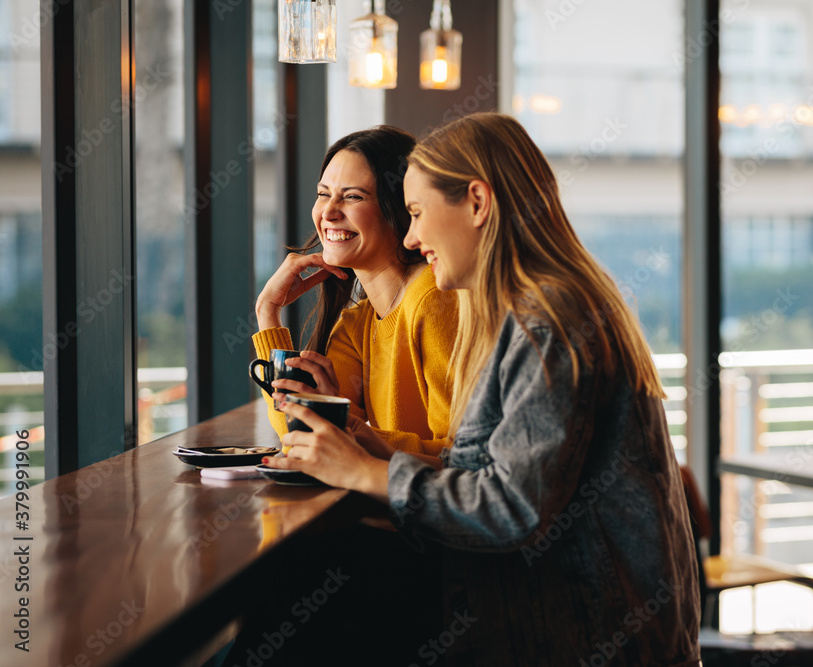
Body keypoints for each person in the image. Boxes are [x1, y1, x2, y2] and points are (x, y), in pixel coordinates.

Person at [267, 113, 701, 665]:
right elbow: (491, 467)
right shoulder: (527, 312)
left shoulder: (548, 322)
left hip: (585, 636)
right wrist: (365, 440)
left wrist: (365, 471)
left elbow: (511, 507)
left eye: (419, 213)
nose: (411, 236)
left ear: (477, 202)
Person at [252, 126, 458, 456]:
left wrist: (347, 429)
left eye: (353, 197)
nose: (328, 213)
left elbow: (456, 456)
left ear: (401, 208)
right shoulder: (358, 321)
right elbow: (301, 433)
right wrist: (267, 312)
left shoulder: (434, 299)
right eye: (323, 194)